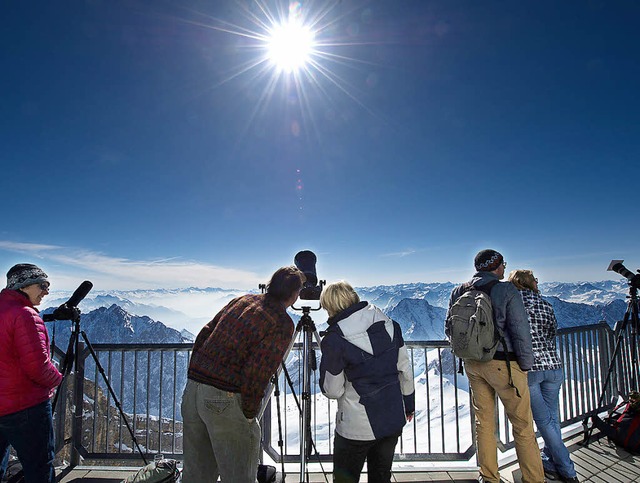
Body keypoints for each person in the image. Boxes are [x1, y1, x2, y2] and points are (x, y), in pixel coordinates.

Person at [181, 266, 305, 483]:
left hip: (194, 390)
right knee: (238, 476)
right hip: (224, 397)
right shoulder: (281, 322)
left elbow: (205, 333)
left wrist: (196, 376)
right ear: (294, 295)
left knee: (196, 476)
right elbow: (257, 371)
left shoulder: (243, 300)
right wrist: (248, 414)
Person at [446, 250, 544, 483]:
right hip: (504, 365)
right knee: (522, 426)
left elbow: (449, 328)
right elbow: (520, 331)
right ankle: (534, 479)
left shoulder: (459, 291)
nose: (503, 269)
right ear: (496, 266)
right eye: (503, 265)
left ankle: (489, 477)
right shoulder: (506, 290)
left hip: (472, 364)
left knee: (484, 424)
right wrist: (526, 365)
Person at [319, 281, 415, 483]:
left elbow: (333, 390)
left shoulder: (335, 339)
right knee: (381, 477)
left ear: (331, 306)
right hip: (391, 418)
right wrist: (409, 404)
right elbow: (404, 369)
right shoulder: (390, 325)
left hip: (356, 425)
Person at [509, 269, 579, 483]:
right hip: (554, 366)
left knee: (543, 422)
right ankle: (550, 459)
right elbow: (552, 332)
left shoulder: (512, 304)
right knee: (552, 419)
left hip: (530, 370)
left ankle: (568, 470)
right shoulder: (545, 304)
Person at [0, 263, 63, 483]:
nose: (46, 291)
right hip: (25, 406)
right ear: (24, 285)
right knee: (39, 465)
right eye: (42, 285)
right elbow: (38, 366)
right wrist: (57, 379)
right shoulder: (25, 315)